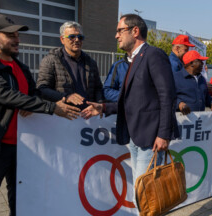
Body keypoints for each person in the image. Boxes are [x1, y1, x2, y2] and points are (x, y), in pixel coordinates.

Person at [0, 14, 80, 216]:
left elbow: (33, 94)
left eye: (17, 35)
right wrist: (52, 109)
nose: (16, 39)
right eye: (10, 34)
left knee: (21, 202)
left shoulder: (20, 67)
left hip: (22, 148)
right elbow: (7, 96)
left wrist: (58, 101)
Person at [80, 14, 179, 186]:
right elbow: (133, 101)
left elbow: (167, 96)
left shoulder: (153, 55)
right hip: (135, 137)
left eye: (120, 30)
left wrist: (163, 134)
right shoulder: (134, 60)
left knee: (145, 195)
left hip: (151, 139)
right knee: (143, 194)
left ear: (135, 31)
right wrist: (104, 108)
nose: (116, 35)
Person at [37, 21, 104, 109]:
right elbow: (42, 89)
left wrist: (98, 104)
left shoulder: (91, 62)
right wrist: (65, 97)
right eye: (72, 37)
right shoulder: (50, 60)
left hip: (88, 117)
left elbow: (98, 89)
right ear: (62, 39)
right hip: (64, 117)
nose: (77, 40)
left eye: (80, 37)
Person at [174, 50, 212, 115]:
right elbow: (169, 97)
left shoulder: (202, 79)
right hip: (182, 121)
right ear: (191, 63)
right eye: (200, 61)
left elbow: (206, 96)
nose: (202, 64)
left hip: (198, 122)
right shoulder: (176, 78)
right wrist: (179, 104)